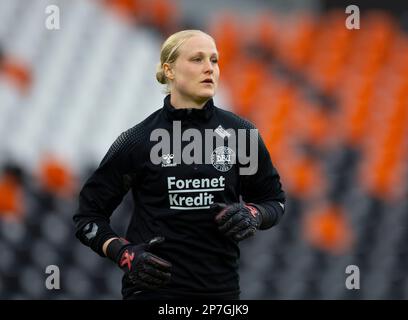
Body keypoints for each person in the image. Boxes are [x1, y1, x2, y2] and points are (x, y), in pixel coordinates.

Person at [73, 29, 286, 300]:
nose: (209, 68)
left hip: (221, 294)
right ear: (169, 70)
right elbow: (87, 218)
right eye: (197, 59)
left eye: (214, 60)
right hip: (151, 293)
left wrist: (254, 214)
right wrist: (122, 253)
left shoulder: (241, 134)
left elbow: (274, 201)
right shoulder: (137, 140)